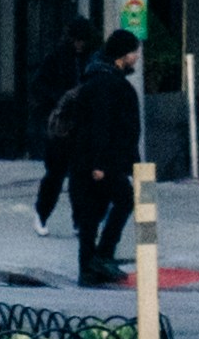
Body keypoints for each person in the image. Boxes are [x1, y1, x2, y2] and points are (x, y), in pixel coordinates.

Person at [41, 20, 151, 291]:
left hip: (91, 161)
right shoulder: (106, 84)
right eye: (133, 52)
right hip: (100, 162)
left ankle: (91, 268)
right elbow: (100, 126)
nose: (136, 57)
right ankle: (100, 258)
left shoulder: (98, 78)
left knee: (92, 214)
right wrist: (100, 164)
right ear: (122, 55)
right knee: (121, 201)